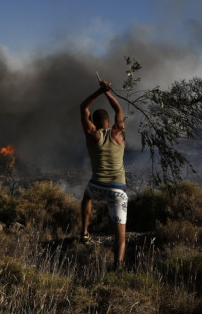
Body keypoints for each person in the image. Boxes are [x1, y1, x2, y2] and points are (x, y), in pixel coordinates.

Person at [80, 79, 127, 271]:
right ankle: (118, 264)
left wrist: (98, 91)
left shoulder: (92, 135)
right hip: (118, 191)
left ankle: (84, 232)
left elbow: (83, 107)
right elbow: (119, 110)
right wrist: (108, 92)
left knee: (86, 197)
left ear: (95, 122)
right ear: (108, 122)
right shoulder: (118, 133)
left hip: (97, 187)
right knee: (120, 235)